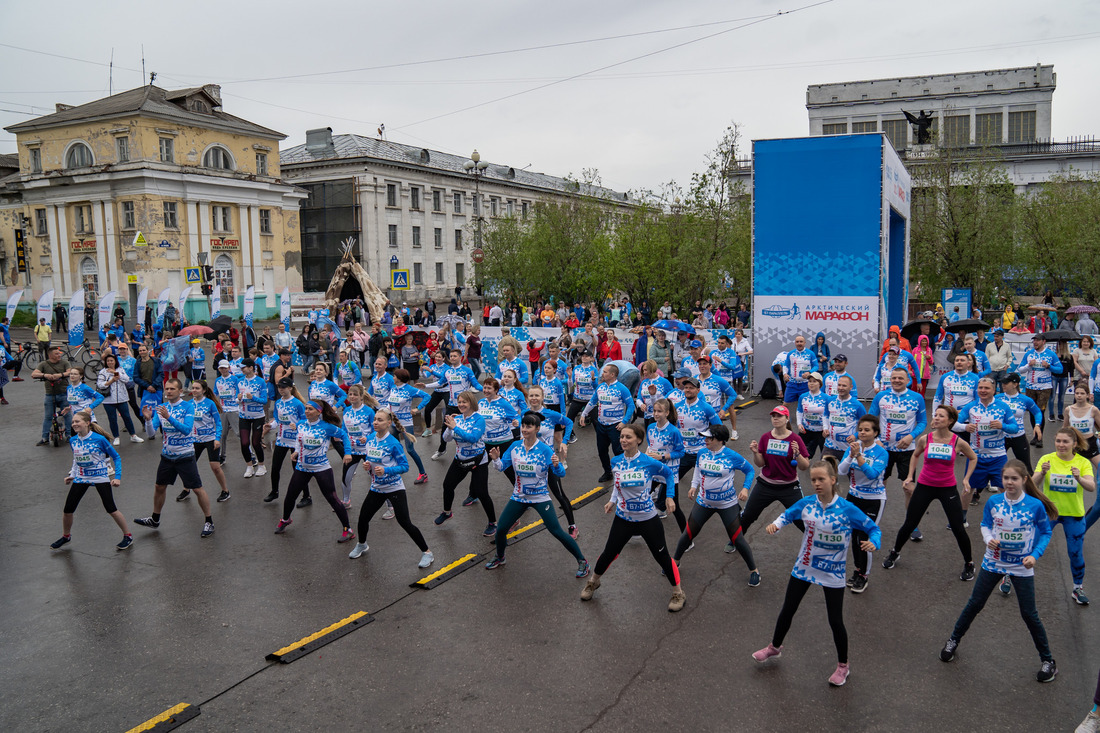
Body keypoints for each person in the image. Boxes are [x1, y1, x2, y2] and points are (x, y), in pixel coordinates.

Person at [751, 455, 881, 687]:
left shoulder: (847, 509)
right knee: (788, 609)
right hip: (805, 567)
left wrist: (874, 542)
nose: (817, 483)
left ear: (833, 480)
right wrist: (776, 525)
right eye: (813, 479)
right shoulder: (807, 503)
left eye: (821, 479)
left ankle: (843, 666)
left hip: (832, 573)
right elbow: (787, 514)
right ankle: (774, 648)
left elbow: (873, 529)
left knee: (835, 620)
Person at [940, 460, 1058, 683]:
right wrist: (988, 539)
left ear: (1024, 480)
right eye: (1006, 478)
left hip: (1021, 567)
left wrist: (1035, 555)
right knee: (974, 604)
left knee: (1029, 614)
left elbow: (1045, 533)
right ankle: (953, 641)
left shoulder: (1035, 505)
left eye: (1014, 478)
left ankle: (1048, 661)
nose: (1010, 482)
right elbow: (985, 524)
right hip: (993, 563)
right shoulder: (994, 501)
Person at [580, 424, 685, 612]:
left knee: (661, 556)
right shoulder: (616, 461)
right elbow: (617, 485)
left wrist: (669, 496)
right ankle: (593, 582)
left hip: (647, 518)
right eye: (621, 437)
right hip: (623, 518)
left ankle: (678, 593)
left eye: (628, 437)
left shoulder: (648, 462)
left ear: (638, 440)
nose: (623, 440)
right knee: (608, 553)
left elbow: (669, 474)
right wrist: (612, 501)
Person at [484, 412, 589, 576]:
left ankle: (582, 561)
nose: (525, 429)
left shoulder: (544, 450)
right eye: (523, 426)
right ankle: (500, 556)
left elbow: (561, 474)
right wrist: (496, 459)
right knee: (501, 529)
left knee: (556, 531)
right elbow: (501, 467)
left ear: (537, 428)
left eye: (529, 426)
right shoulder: (514, 447)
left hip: (540, 498)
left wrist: (556, 465)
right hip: (519, 497)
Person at [883, 405, 977, 578]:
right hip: (925, 486)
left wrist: (966, 479)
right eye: (935, 415)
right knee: (910, 523)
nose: (936, 418)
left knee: (958, 527)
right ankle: (895, 552)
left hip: (947, 488)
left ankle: (969, 563)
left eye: (941, 416)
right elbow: (915, 455)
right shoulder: (925, 439)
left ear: (950, 421)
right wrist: (910, 476)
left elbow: (973, 457)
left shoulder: (958, 442)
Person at [346, 409, 434, 568]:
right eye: (374, 420)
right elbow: (371, 459)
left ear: (388, 423)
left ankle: (427, 552)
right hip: (376, 488)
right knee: (363, 518)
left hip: (394, 488)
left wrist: (386, 470)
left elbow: (404, 467)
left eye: (379, 420)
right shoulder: (371, 438)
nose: (375, 422)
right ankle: (362, 544)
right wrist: (368, 465)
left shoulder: (393, 443)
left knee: (405, 522)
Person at [673, 424, 760, 585]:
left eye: (709, 438)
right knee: (687, 534)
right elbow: (698, 470)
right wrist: (693, 486)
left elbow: (750, 470)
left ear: (719, 440)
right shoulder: (702, 453)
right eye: (705, 437)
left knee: (737, 539)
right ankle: (675, 562)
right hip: (704, 502)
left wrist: (746, 489)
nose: (705, 440)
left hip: (727, 504)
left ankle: (754, 571)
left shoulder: (731, 456)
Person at [133, 378, 215, 538]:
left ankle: (209, 521)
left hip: (185, 456)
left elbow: (186, 430)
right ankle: (155, 519)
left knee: (197, 489)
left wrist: (169, 417)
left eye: (172, 389)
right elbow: (151, 434)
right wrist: (149, 420)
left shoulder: (187, 407)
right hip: (167, 456)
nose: (168, 391)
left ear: (180, 391)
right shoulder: (161, 408)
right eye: (167, 389)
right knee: (159, 487)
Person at [49, 410, 132, 551]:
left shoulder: (99, 439)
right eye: (73, 422)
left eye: (77, 421)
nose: (74, 424)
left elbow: (116, 457)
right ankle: (66, 536)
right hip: (82, 478)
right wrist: (72, 474)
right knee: (68, 510)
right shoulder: (73, 440)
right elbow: (76, 459)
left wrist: (117, 477)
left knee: (111, 509)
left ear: (87, 423)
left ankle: (128, 536)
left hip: (100, 477)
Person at [275, 400, 356, 542]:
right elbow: (298, 440)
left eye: (310, 409)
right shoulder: (301, 424)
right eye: (306, 408)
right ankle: (286, 519)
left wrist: (347, 453)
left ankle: (347, 529)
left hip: (321, 467)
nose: (306, 411)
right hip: (302, 467)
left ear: (319, 412)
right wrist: (295, 451)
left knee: (332, 499)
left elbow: (344, 435)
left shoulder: (326, 427)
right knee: (290, 496)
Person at [1034, 427, 1096, 606]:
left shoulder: (1083, 463)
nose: (1061, 445)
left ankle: (1078, 587)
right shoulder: (1046, 460)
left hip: (1074, 515)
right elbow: (1032, 483)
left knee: (1075, 553)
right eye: (1058, 441)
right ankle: (1011, 575)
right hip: (1049, 513)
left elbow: (1091, 487)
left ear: (1074, 444)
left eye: (1065, 442)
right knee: (1031, 545)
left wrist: (1079, 478)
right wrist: (1042, 473)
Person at [837, 416, 889, 593]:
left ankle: (864, 576)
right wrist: (851, 455)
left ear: (875, 433)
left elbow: (872, 474)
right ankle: (858, 570)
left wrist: (858, 456)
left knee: (864, 539)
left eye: (867, 430)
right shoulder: (853, 448)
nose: (862, 433)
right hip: (854, 497)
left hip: (874, 500)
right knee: (854, 537)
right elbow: (841, 471)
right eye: (860, 430)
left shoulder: (881, 452)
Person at [433, 391, 497, 534]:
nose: (461, 404)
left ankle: (493, 522)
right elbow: (447, 439)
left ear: (471, 403)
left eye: (464, 402)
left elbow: (473, 438)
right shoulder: (457, 419)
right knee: (448, 485)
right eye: (459, 402)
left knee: (481, 492)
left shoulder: (478, 419)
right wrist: (450, 428)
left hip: (478, 460)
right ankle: (447, 512)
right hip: (460, 460)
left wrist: (455, 427)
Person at [739, 406, 810, 534]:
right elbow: (760, 464)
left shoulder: (795, 439)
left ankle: (815, 545)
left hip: (789, 487)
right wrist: (756, 453)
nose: (775, 418)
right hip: (765, 485)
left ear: (787, 419)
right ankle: (735, 541)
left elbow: (805, 466)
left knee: (801, 519)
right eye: (773, 416)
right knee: (748, 515)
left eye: (779, 416)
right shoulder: (766, 438)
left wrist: (798, 454)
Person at [953, 376, 1019, 513]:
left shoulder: (1002, 406)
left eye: (987, 388)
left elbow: (1015, 428)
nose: (983, 391)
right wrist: (965, 427)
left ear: (994, 390)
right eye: (980, 388)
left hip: (998, 456)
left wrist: (1002, 426)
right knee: (968, 488)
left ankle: (1010, 516)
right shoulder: (971, 407)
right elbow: (953, 424)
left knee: (1005, 488)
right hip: (976, 457)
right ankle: (961, 518)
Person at [578, 363, 636, 484]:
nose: (602, 374)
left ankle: (624, 473)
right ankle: (608, 472)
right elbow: (592, 402)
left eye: (605, 372)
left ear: (613, 374)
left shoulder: (622, 388)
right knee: (602, 451)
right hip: (601, 425)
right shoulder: (600, 387)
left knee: (618, 451)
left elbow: (631, 405)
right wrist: (583, 414)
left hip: (615, 426)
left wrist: (624, 422)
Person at [420, 349, 478, 461]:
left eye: (455, 356)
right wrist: (425, 386)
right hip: (452, 405)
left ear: (460, 357)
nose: (452, 358)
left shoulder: (466, 370)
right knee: (444, 427)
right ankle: (442, 450)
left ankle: (472, 450)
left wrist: (488, 390)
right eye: (451, 356)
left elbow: (476, 385)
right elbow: (439, 383)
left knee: (469, 428)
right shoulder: (448, 371)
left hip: (466, 406)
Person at [180, 380, 230, 504]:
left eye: (197, 388)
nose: (194, 390)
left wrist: (217, 439)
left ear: (203, 390)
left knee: (215, 467)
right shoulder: (189, 404)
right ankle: (186, 489)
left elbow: (218, 423)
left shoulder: (210, 404)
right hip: (194, 440)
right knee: (188, 466)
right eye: (193, 388)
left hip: (210, 439)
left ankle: (225, 491)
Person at [264, 377, 309, 505]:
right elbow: (277, 420)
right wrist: (270, 426)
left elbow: (305, 421)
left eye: (283, 387)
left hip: (295, 441)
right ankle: (274, 491)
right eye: (279, 387)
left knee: (298, 470)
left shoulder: (298, 404)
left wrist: (297, 424)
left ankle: (307, 496)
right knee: (275, 468)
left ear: (290, 388)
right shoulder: (278, 403)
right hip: (282, 440)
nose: (281, 389)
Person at [338, 384, 379, 507]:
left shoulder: (369, 411)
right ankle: (346, 501)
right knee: (346, 478)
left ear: (361, 396)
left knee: (378, 478)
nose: (352, 396)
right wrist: (344, 442)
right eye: (350, 394)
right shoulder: (346, 410)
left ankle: (390, 506)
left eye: (355, 394)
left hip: (368, 450)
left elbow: (376, 430)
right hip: (353, 451)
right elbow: (344, 429)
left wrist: (367, 438)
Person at [1020, 333, 1063, 438]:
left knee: (1040, 411)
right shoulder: (1029, 354)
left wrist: (1049, 366)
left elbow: (1060, 369)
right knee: (1031, 411)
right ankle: (1035, 435)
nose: (1035, 342)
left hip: (1044, 387)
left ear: (1043, 342)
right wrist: (1028, 365)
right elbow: (1020, 370)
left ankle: (1040, 436)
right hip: (1030, 386)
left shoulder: (1051, 354)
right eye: (1034, 340)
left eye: (1037, 340)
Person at [1000, 372, 1044, 475]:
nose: (1003, 385)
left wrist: (1037, 425)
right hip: (1001, 437)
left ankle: (1031, 490)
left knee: (1026, 469)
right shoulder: (998, 398)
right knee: (996, 465)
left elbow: (1037, 412)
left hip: (1018, 436)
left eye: (1006, 383)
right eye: (1003, 383)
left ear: (1015, 384)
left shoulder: (1025, 400)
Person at [96, 353, 143, 446]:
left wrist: (115, 373)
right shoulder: (102, 372)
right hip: (108, 400)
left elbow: (126, 379)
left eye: (111, 360)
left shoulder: (120, 369)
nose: (110, 362)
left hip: (122, 399)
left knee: (127, 417)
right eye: (108, 361)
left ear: (115, 361)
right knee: (112, 418)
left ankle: (133, 435)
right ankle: (116, 437)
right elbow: (100, 384)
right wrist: (111, 381)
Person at [236, 358, 269, 479]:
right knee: (244, 443)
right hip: (243, 415)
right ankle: (249, 466)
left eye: (243, 367)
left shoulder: (260, 381)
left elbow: (264, 401)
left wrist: (253, 398)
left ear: (251, 368)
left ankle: (261, 465)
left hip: (257, 416)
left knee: (255, 443)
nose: (242, 369)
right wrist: (238, 398)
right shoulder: (239, 381)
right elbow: (236, 399)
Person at [33, 346, 72, 445]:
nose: (59, 355)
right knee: (48, 416)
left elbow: (70, 371)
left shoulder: (64, 363)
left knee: (67, 415)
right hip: (50, 394)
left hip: (64, 393)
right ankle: (44, 438)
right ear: (50, 355)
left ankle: (69, 435)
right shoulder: (44, 364)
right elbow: (34, 374)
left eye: (59, 353)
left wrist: (60, 375)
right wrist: (45, 375)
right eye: (57, 354)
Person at [822, 374, 865, 462]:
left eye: (844, 385)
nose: (841, 388)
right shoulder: (830, 400)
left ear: (850, 387)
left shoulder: (857, 405)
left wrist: (855, 435)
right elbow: (825, 415)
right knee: (825, 471)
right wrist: (825, 428)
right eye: (839, 385)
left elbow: (866, 425)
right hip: (829, 445)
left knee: (851, 474)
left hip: (848, 448)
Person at [697, 355, 739, 441]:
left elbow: (733, 394)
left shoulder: (718, 380)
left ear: (710, 365)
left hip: (714, 417)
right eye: (700, 364)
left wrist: (724, 409)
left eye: (705, 363)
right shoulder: (694, 380)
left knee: (716, 443)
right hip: (698, 417)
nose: (702, 366)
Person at [1066, 382, 1100, 472]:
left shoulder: (1094, 410)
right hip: (1075, 444)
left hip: (1090, 443)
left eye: (1082, 393)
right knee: (1072, 471)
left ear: (1087, 395)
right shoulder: (1068, 410)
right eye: (1077, 393)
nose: (1079, 396)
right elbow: (1064, 429)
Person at [779, 335, 814, 417]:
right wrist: (785, 373)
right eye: (797, 342)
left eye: (801, 341)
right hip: (792, 384)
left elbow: (815, 366)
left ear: (805, 343)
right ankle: (784, 421)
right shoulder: (791, 353)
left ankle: (806, 420)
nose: (799, 343)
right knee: (786, 403)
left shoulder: (810, 353)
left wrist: (810, 372)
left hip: (805, 384)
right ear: (795, 343)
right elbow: (785, 365)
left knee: (806, 405)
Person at [795, 372, 828, 459]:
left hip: (821, 431)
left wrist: (826, 428)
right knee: (798, 452)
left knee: (825, 457)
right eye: (809, 381)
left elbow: (828, 414)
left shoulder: (826, 398)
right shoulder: (803, 396)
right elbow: (799, 411)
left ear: (820, 383)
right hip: (807, 430)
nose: (811, 383)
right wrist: (799, 424)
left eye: (814, 381)